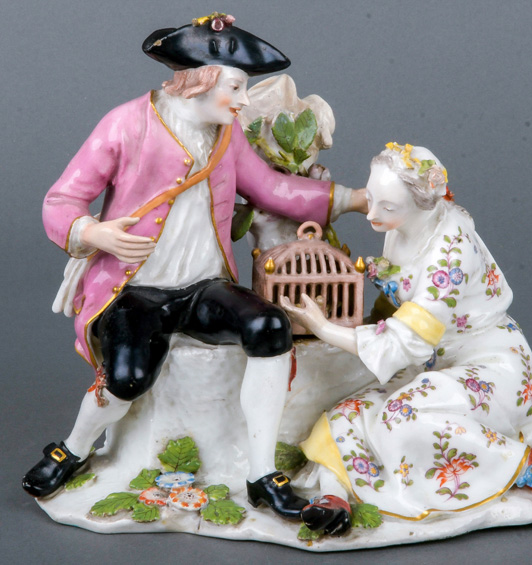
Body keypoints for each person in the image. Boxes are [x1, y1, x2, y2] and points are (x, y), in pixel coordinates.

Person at [22, 14, 367, 522]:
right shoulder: (127, 123)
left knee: (269, 328)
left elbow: (271, 188)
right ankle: (71, 449)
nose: (243, 100)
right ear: (200, 81)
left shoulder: (226, 135)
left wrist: (354, 199)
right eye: (235, 87)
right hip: (135, 289)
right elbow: (61, 200)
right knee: (127, 379)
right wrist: (95, 233)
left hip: (204, 286)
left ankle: (261, 474)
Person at [283, 142, 532, 534]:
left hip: (491, 366)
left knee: (400, 418)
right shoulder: (402, 226)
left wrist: (325, 329)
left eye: (388, 207)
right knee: (346, 414)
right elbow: (400, 316)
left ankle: (519, 464)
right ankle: (335, 498)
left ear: (423, 204)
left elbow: (407, 341)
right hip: (434, 362)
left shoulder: (450, 254)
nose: (372, 215)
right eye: (371, 200)